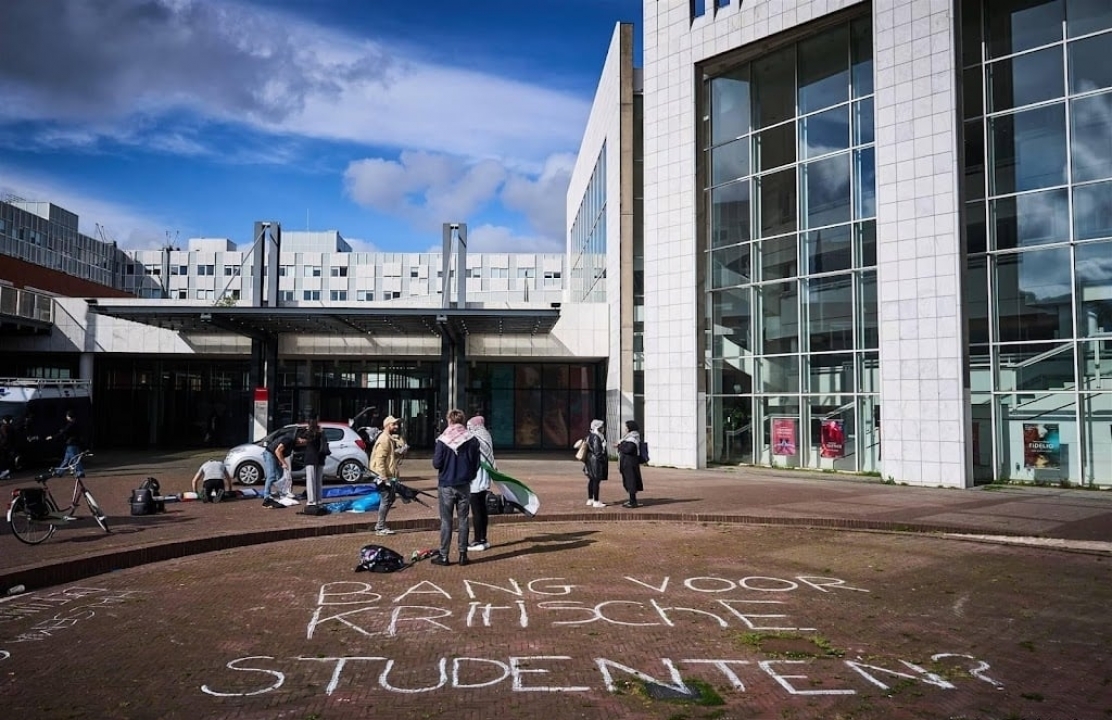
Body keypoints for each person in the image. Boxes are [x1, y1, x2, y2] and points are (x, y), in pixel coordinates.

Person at [431, 408, 481, 566]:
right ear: (463, 420)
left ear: (449, 420)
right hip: (464, 484)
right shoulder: (471, 439)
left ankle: (444, 556)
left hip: (446, 484)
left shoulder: (443, 439)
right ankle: (462, 555)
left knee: (446, 521)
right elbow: (477, 463)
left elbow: (436, 463)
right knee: (463, 520)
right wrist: (469, 476)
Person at [369, 415, 408, 535]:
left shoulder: (390, 438)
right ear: (387, 425)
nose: (396, 426)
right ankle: (380, 526)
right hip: (383, 476)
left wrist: (399, 452)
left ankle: (381, 525)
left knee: (389, 498)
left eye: (397, 424)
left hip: (388, 474)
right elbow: (380, 459)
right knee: (386, 499)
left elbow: (389, 457)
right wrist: (383, 477)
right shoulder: (384, 439)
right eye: (394, 424)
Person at [466, 415, 495, 552]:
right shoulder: (486, 435)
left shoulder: (475, 438)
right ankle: (483, 538)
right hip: (485, 476)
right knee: (482, 510)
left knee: (476, 511)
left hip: (476, 479)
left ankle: (478, 540)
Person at [262, 426, 302, 506]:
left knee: (280, 476)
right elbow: (278, 451)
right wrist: (283, 463)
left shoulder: (293, 443)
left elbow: (282, 453)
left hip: (276, 455)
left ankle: (280, 493)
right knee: (272, 476)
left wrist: (280, 461)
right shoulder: (288, 439)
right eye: (304, 441)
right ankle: (266, 495)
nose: (303, 443)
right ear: (299, 438)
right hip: (270, 453)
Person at [302, 417, 330, 509]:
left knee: (310, 480)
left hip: (310, 458)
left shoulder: (308, 433)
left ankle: (311, 501)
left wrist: (306, 429)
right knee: (318, 481)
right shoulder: (321, 432)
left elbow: (301, 438)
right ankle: (319, 500)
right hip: (320, 458)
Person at [615, 420, 645, 508]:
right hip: (627, 462)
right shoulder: (629, 437)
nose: (625, 429)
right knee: (628, 480)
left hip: (630, 463)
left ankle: (633, 501)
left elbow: (628, 449)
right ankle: (632, 500)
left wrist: (619, 446)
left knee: (631, 481)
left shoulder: (633, 438)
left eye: (626, 427)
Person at [46, 410, 85, 478]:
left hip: (72, 444)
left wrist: (52, 437)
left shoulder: (71, 424)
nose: (66, 417)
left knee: (75, 459)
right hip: (72, 444)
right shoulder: (77, 423)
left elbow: (63, 432)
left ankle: (80, 472)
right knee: (66, 460)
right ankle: (59, 472)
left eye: (67, 416)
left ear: (69, 417)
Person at [583, 419, 609, 508]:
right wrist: (602, 460)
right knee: (596, 481)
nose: (603, 429)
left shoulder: (589, 436)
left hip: (590, 460)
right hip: (595, 462)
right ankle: (596, 500)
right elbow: (598, 451)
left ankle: (590, 499)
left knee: (591, 480)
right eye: (602, 427)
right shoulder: (596, 437)